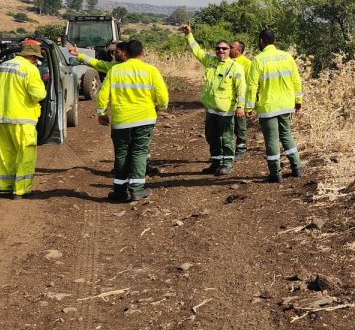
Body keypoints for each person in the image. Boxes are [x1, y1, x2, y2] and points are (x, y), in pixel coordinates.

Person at [97, 39, 168, 202]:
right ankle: (136, 190)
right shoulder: (151, 70)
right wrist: (161, 107)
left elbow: (102, 95)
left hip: (121, 120)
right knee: (139, 152)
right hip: (145, 119)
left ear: (126, 53)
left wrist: (101, 113)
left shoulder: (115, 71)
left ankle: (120, 191)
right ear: (142, 53)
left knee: (121, 154)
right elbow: (162, 96)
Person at [181, 24, 245, 175]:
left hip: (226, 111)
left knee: (226, 138)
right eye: (218, 48)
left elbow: (241, 88)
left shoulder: (235, 67)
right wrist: (189, 35)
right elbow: (196, 50)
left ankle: (227, 163)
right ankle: (216, 163)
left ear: (230, 51)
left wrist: (240, 106)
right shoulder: (210, 61)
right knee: (212, 137)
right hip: (211, 110)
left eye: (224, 48)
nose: (220, 51)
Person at [245, 28, 303, 183]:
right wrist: (298, 100)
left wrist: (249, 107)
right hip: (286, 105)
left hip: (268, 107)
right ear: (274, 41)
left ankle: (275, 173)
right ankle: (297, 168)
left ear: (261, 41)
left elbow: (252, 86)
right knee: (286, 135)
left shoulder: (258, 60)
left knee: (271, 139)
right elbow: (296, 80)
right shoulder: (287, 57)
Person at [0, 39, 47, 199]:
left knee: (5, 154)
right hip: (23, 119)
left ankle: (4, 187)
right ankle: (21, 190)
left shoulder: (3, 66)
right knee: (25, 154)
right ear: (31, 56)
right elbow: (39, 94)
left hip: (1, 117)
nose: (36, 60)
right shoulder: (30, 69)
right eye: (36, 58)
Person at [230, 39, 253, 159]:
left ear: (238, 50)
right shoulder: (226, 61)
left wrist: (246, 105)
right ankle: (228, 150)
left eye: (231, 47)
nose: (228, 48)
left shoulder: (247, 63)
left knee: (240, 127)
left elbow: (250, 85)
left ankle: (240, 149)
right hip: (227, 101)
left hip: (240, 101)